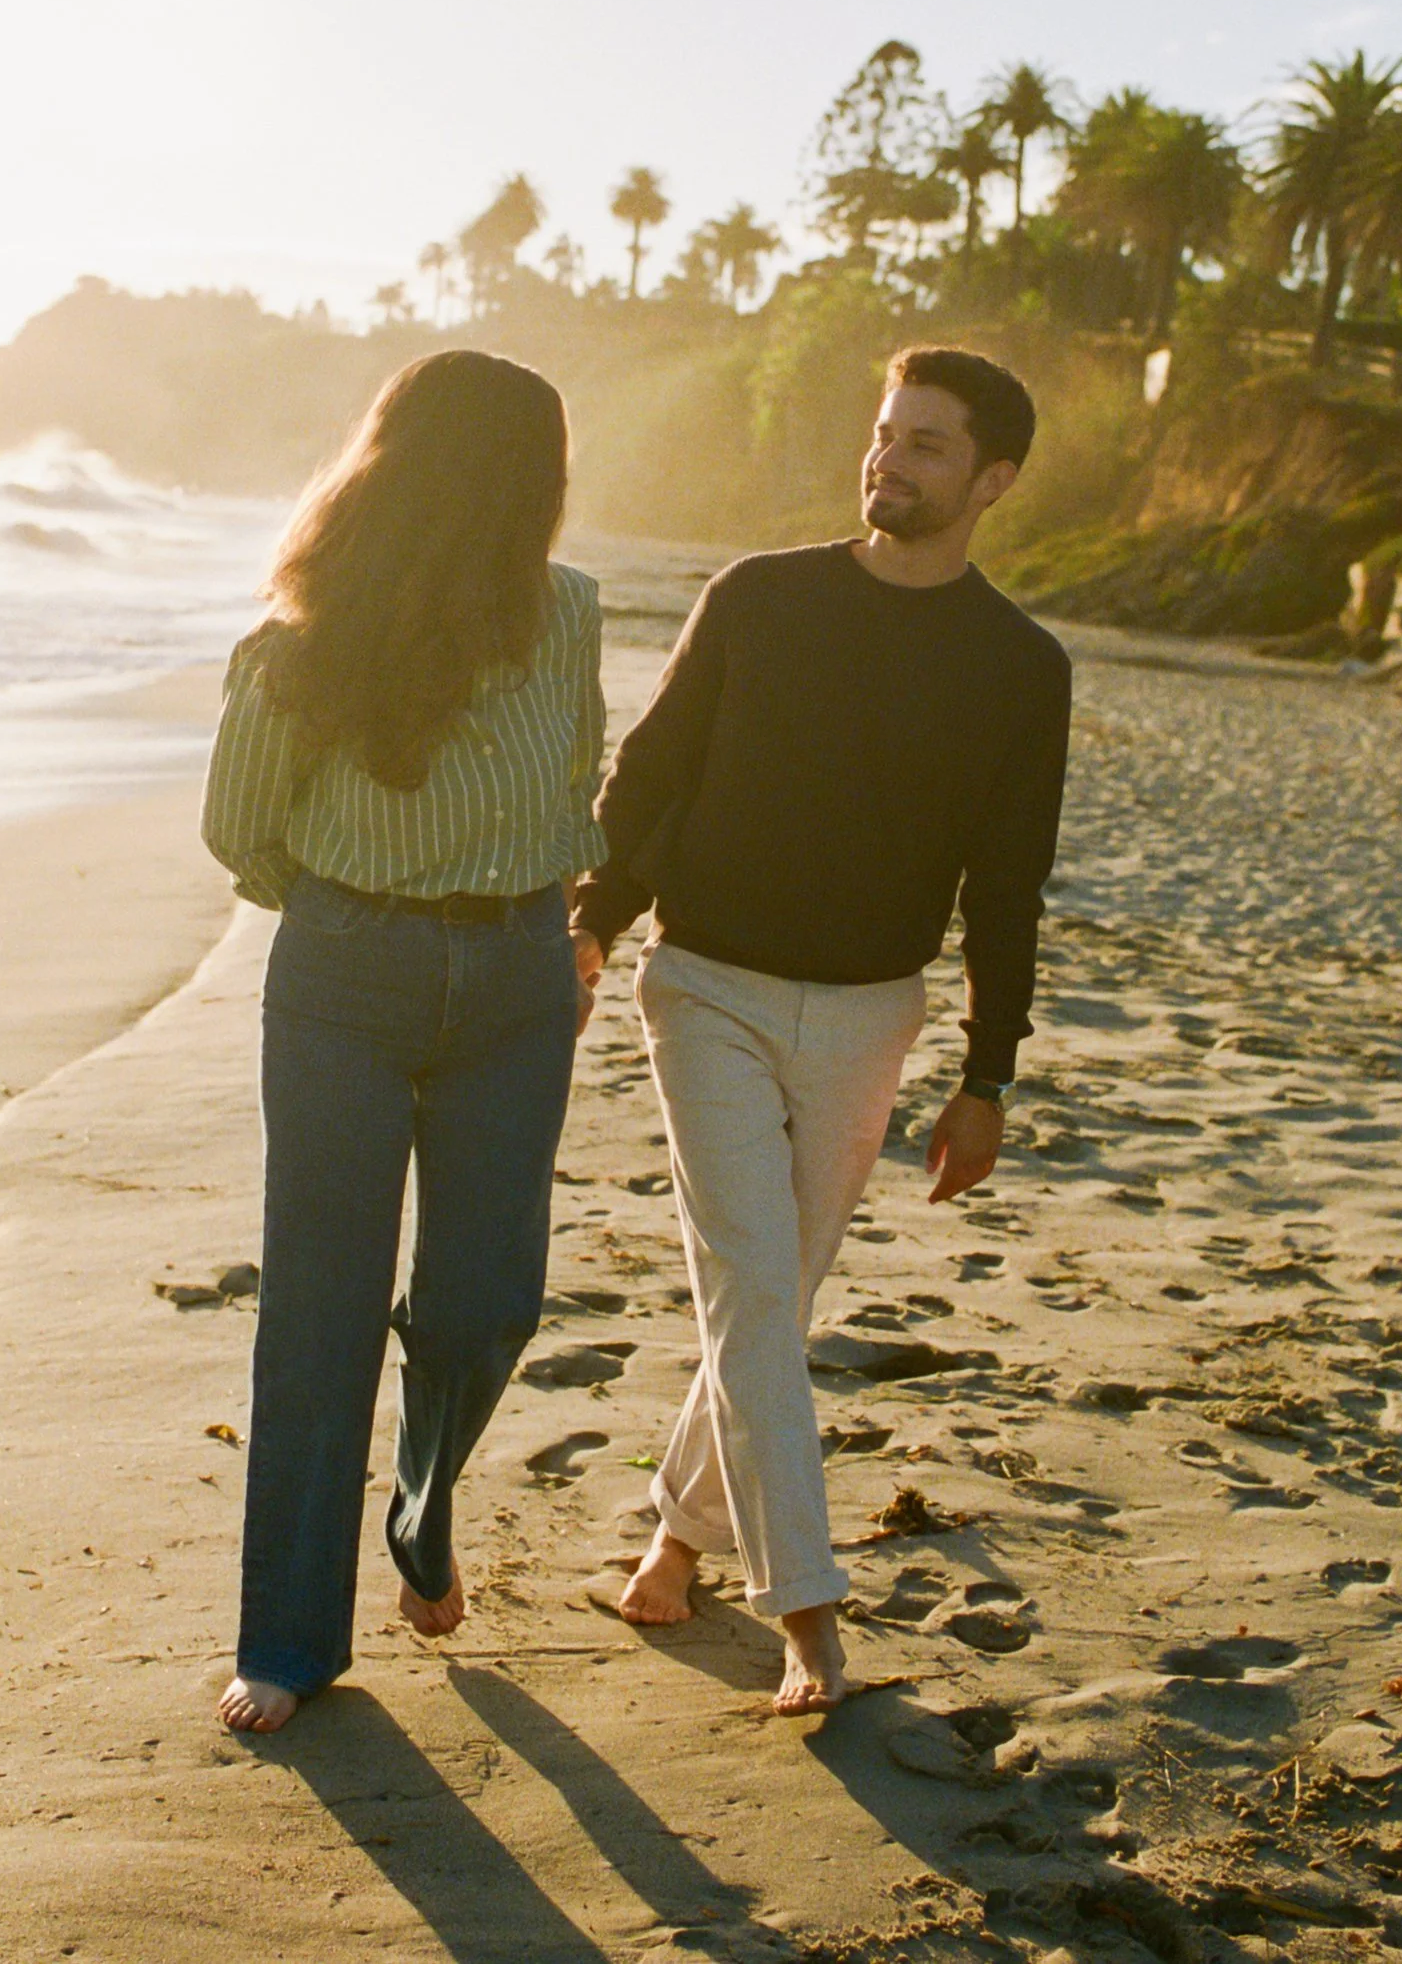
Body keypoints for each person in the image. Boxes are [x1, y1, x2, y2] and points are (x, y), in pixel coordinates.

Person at [571, 344, 1070, 1715]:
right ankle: (807, 1608)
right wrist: (597, 919)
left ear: (992, 479)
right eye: (884, 432)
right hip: (710, 984)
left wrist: (988, 1074)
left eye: (926, 444)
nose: (888, 460)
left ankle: (676, 1539)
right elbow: (651, 769)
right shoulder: (760, 597)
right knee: (751, 1285)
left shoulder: (1022, 668)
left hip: (869, 1010)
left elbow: (1007, 881)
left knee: (771, 1297)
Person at [202, 350, 605, 1736]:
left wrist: (537, 923)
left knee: (490, 1296)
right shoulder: (302, 633)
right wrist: (364, 898)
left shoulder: (569, 615)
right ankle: (291, 1640)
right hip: (344, 979)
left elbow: (574, 788)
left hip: (517, 976)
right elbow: (243, 834)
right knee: (319, 1309)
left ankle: (421, 1506)